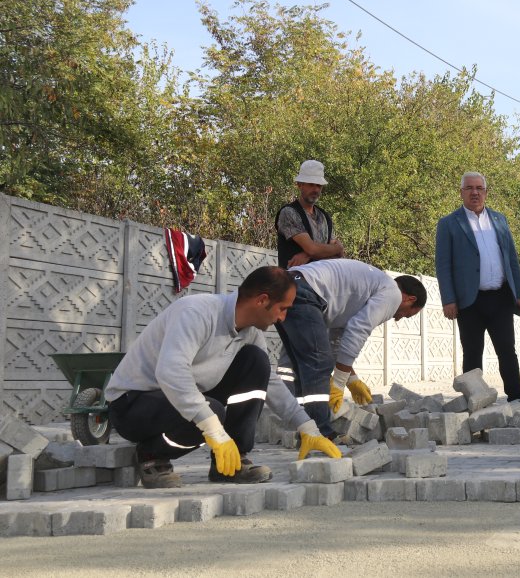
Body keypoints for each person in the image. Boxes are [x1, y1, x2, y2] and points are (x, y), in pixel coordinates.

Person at [106, 266, 342, 489]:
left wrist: (307, 427)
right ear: (262, 300)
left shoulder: (249, 332)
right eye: (283, 308)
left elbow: (270, 382)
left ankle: (231, 461)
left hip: (177, 399)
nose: (283, 318)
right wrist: (213, 430)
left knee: (256, 362)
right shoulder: (196, 313)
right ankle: (151, 454)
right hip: (132, 404)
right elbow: (170, 372)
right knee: (212, 413)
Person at [276, 258, 427, 438]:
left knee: (301, 364)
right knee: (318, 364)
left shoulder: (363, 289)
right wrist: (339, 381)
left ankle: (301, 426)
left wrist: (351, 379)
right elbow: (359, 328)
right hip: (305, 291)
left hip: (286, 285)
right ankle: (320, 435)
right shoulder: (392, 293)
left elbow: (336, 341)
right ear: (410, 298)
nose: (398, 318)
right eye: (407, 314)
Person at [435, 171, 520, 401]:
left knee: (507, 350)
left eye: (479, 188)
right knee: (472, 353)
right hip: (469, 300)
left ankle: (515, 400)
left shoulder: (499, 220)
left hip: (501, 297)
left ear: (486, 192)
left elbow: (511, 258)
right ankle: (474, 402)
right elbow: (443, 265)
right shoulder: (448, 224)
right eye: (469, 188)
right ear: (461, 192)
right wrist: (448, 299)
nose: (475, 193)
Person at [275, 160, 345, 269]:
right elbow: (313, 249)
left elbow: (338, 256)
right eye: (311, 184)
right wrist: (337, 247)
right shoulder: (289, 212)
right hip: (294, 282)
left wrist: (307, 255)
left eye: (319, 185)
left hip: (323, 282)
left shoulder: (324, 217)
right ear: (299, 185)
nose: (316, 189)